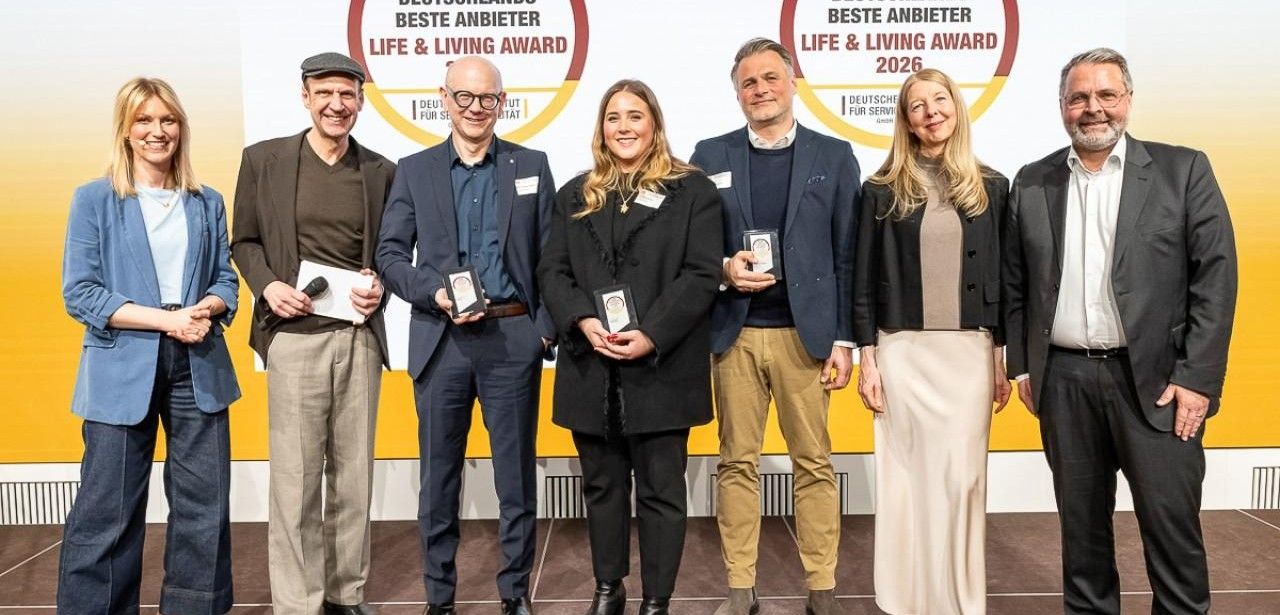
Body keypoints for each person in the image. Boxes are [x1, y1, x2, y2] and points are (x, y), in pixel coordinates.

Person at [1004, 48, 1237, 614]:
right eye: (1079, 97)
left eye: (1106, 95)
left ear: (1128, 99)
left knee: (1172, 532)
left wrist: (1197, 379)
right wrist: (1025, 368)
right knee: (1081, 538)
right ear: (1062, 105)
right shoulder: (1032, 181)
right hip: (1065, 383)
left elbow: (1216, 278)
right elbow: (1016, 284)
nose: (1093, 108)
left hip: (1160, 385)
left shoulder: (1183, 170)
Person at [375, 56, 556, 615]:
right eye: (464, 97)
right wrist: (434, 292)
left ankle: (514, 592)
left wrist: (541, 332)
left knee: (515, 478)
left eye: (487, 98)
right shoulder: (414, 169)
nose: (476, 108)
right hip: (441, 342)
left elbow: (552, 255)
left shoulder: (532, 165)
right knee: (439, 479)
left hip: (512, 339)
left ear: (502, 102)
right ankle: (440, 597)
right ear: (444, 99)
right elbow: (389, 255)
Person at [538, 79, 724, 615]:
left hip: (662, 366)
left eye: (635, 116)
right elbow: (552, 270)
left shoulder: (693, 191)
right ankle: (608, 587)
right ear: (601, 128)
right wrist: (581, 319)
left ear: (654, 124)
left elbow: (700, 274)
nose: (624, 127)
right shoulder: (574, 194)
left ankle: (657, 600)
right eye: (613, 117)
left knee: (662, 491)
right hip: (590, 365)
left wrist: (652, 334)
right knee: (602, 486)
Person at [689, 38, 859, 615]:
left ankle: (822, 589)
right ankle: (741, 588)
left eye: (770, 78)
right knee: (736, 463)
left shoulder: (834, 155)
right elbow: (692, 245)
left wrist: (843, 339)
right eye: (748, 82)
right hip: (733, 334)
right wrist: (722, 269)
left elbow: (847, 253)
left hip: (805, 338)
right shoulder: (708, 154)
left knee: (814, 463)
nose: (760, 90)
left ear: (792, 82)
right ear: (736, 93)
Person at [58, 77, 241, 615]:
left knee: (204, 510)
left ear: (181, 128)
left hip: (198, 363)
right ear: (125, 129)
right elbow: (81, 292)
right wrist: (168, 322)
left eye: (167, 120)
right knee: (107, 511)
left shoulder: (207, 202)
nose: (157, 131)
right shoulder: (94, 199)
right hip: (122, 365)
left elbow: (225, 280)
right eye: (144, 120)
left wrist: (205, 310)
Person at [230, 52, 395, 615]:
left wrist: (380, 287)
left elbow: (390, 254)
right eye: (324, 93)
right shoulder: (265, 160)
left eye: (347, 94)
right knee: (295, 480)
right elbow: (244, 241)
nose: (336, 104)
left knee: (354, 478)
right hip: (293, 338)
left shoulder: (381, 170)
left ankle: (347, 594)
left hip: (358, 338)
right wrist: (268, 287)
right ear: (305, 97)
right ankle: (299, 603)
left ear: (360, 101)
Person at [851, 68, 1010, 615]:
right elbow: (862, 279)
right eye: (917, 105)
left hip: (969, 357)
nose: (930, 112)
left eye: (939, 100)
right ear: (906, 120)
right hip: (902, 354)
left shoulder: (993, 187)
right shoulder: (879, 190)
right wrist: (868, 358)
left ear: (956, 107)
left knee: (963, 482)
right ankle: (906, 601)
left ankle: (961, 602)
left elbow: (1005, 280)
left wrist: (1001, 358)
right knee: (906, 483)